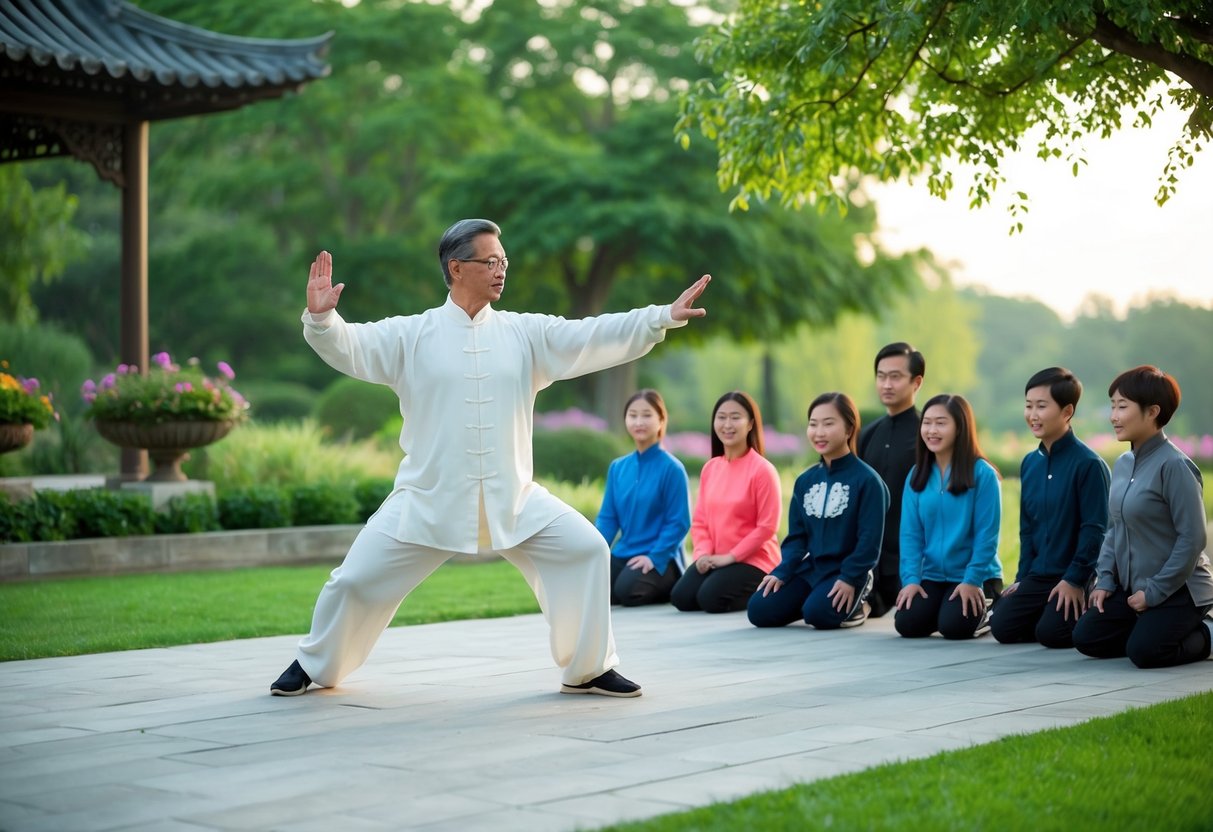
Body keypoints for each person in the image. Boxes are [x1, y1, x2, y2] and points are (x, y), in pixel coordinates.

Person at [270, 219, 711, 698]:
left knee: (587, 550)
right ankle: (314, 664)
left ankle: (588, 668)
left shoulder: (526, 333)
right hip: (427, 499)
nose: (502, 270)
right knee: (353, 580)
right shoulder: (412, 335)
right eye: (491, 262)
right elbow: (352, 345)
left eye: (504, 262)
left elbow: (591, 334)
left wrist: (661, 315)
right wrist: (321, 321)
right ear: (456, 268)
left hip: (515, 499)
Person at [1072, 366, 1213, 668]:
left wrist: (1154, 592)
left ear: (1152, 412)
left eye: (1122, 407)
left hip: (1179, 589)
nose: (1113, 416)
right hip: (1133, 588)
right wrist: (1105, 580)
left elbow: (1193, 539)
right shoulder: (1123, 464)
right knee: (1086, 638)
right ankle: (1151, 629)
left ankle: (1206, 634)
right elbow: (1115, 529)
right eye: (1112, 406)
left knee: (1145, 653)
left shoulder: (1175, 466)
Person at [747, 392, 889, 630]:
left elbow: (869, 542)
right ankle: (812, 599)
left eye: (828, 423)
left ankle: (860, 603)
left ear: (849, 428)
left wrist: (849, 578)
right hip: (811, 569)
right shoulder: (805, 481)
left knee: (818, 615)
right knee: (759, 610)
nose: (819, 432)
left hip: (847, 571)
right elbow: (796, 538)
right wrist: (781, 572)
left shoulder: (868, 481)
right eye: (813, 424)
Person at [991, 368, 1110, 648]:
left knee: (1051, 635)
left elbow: (1095, 530)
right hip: (1039, 576)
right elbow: (1028, 529)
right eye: (1029, 405)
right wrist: (1022, 577)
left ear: (1067, 411)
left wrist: (1075, 579)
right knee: (1001, 626)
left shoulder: (1088, 465)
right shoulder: (1030, 464)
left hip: (1073, 576)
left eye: (1041, 406)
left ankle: (1083, 608)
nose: (1032, 414)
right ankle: (1047, 612)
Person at [895, 394, 1003, 639]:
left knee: (954, 628)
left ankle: (988, 610)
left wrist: (972, 579)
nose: (932, 430)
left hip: (975, 576)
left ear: (960, 427)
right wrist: (911, 580)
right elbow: (910, 535)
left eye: (941, 423)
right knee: (907, 624)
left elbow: (987, 535)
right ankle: (941, 609)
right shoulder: (916, 475)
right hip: (932, 575)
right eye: (927, 422)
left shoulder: (983, 474)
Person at [671, 391, 781, 613]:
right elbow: (700, 520)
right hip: (715, 558)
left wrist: (730, 557)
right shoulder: (711, 468)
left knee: (710, 599)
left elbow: (767, 527)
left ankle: (765, 590)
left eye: (735, 417)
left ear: (750, 424)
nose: (727, 424)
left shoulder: (762, 470)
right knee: (682, 597)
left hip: (754, 561)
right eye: (721, 417)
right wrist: (702, 554)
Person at [595, 389, 692, 607]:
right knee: (592, 589)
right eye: (633, 415)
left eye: (647, 415)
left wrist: (654, 557)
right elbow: (608, 519)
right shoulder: (618, 467)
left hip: (660, 558)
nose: (639, 421)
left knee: (626, 592)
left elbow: (679, 523)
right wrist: (594, 551)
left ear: (661, 420)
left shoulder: (673, 469)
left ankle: (669, 583)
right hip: (625, 552)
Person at [857, 342, 925, 617]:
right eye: (881, 376)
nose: (886, 384)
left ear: (916, 382)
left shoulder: (928, 434)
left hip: (912, 557)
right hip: (870, 555)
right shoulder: (867, 435)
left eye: (895, 376)